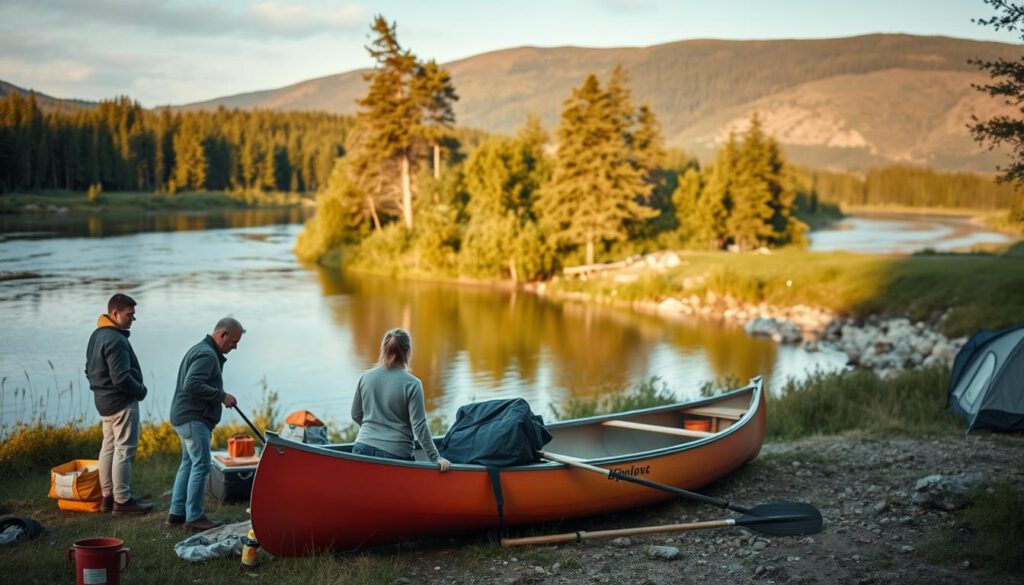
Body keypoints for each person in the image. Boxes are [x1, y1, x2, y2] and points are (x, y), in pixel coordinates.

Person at [167, 317, 242, 531]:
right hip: (193, 418)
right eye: (233, 341)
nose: (234, 347)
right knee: (201, 465)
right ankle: (195, 517)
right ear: (222, 335)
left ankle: (176, 513)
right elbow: (191, 384)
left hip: (184, 416)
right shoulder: (208, 355)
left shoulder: (201, 349)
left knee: (188, 463)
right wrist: (221, 395)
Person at [85, 293, 154, 515]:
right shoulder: (116, 339)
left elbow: (89, 371)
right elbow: (121, 378)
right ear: (114, 313)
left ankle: (107, 498)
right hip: (121, 403)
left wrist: (100, 391)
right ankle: (122, 501)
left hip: (103, 403)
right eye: (129, 314)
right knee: (124, 450)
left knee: (108, 447)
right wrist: (141, 391)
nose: (133, 319)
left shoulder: (97, 335)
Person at [351, 328, 451, 472]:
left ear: (383, 349)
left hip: (361, 448)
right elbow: (419, 426)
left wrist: (373, 431)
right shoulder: (412, 384)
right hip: (395, 454)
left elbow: (356, 414)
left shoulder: (365, 377)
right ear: (407, 352)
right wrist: (436, 457)